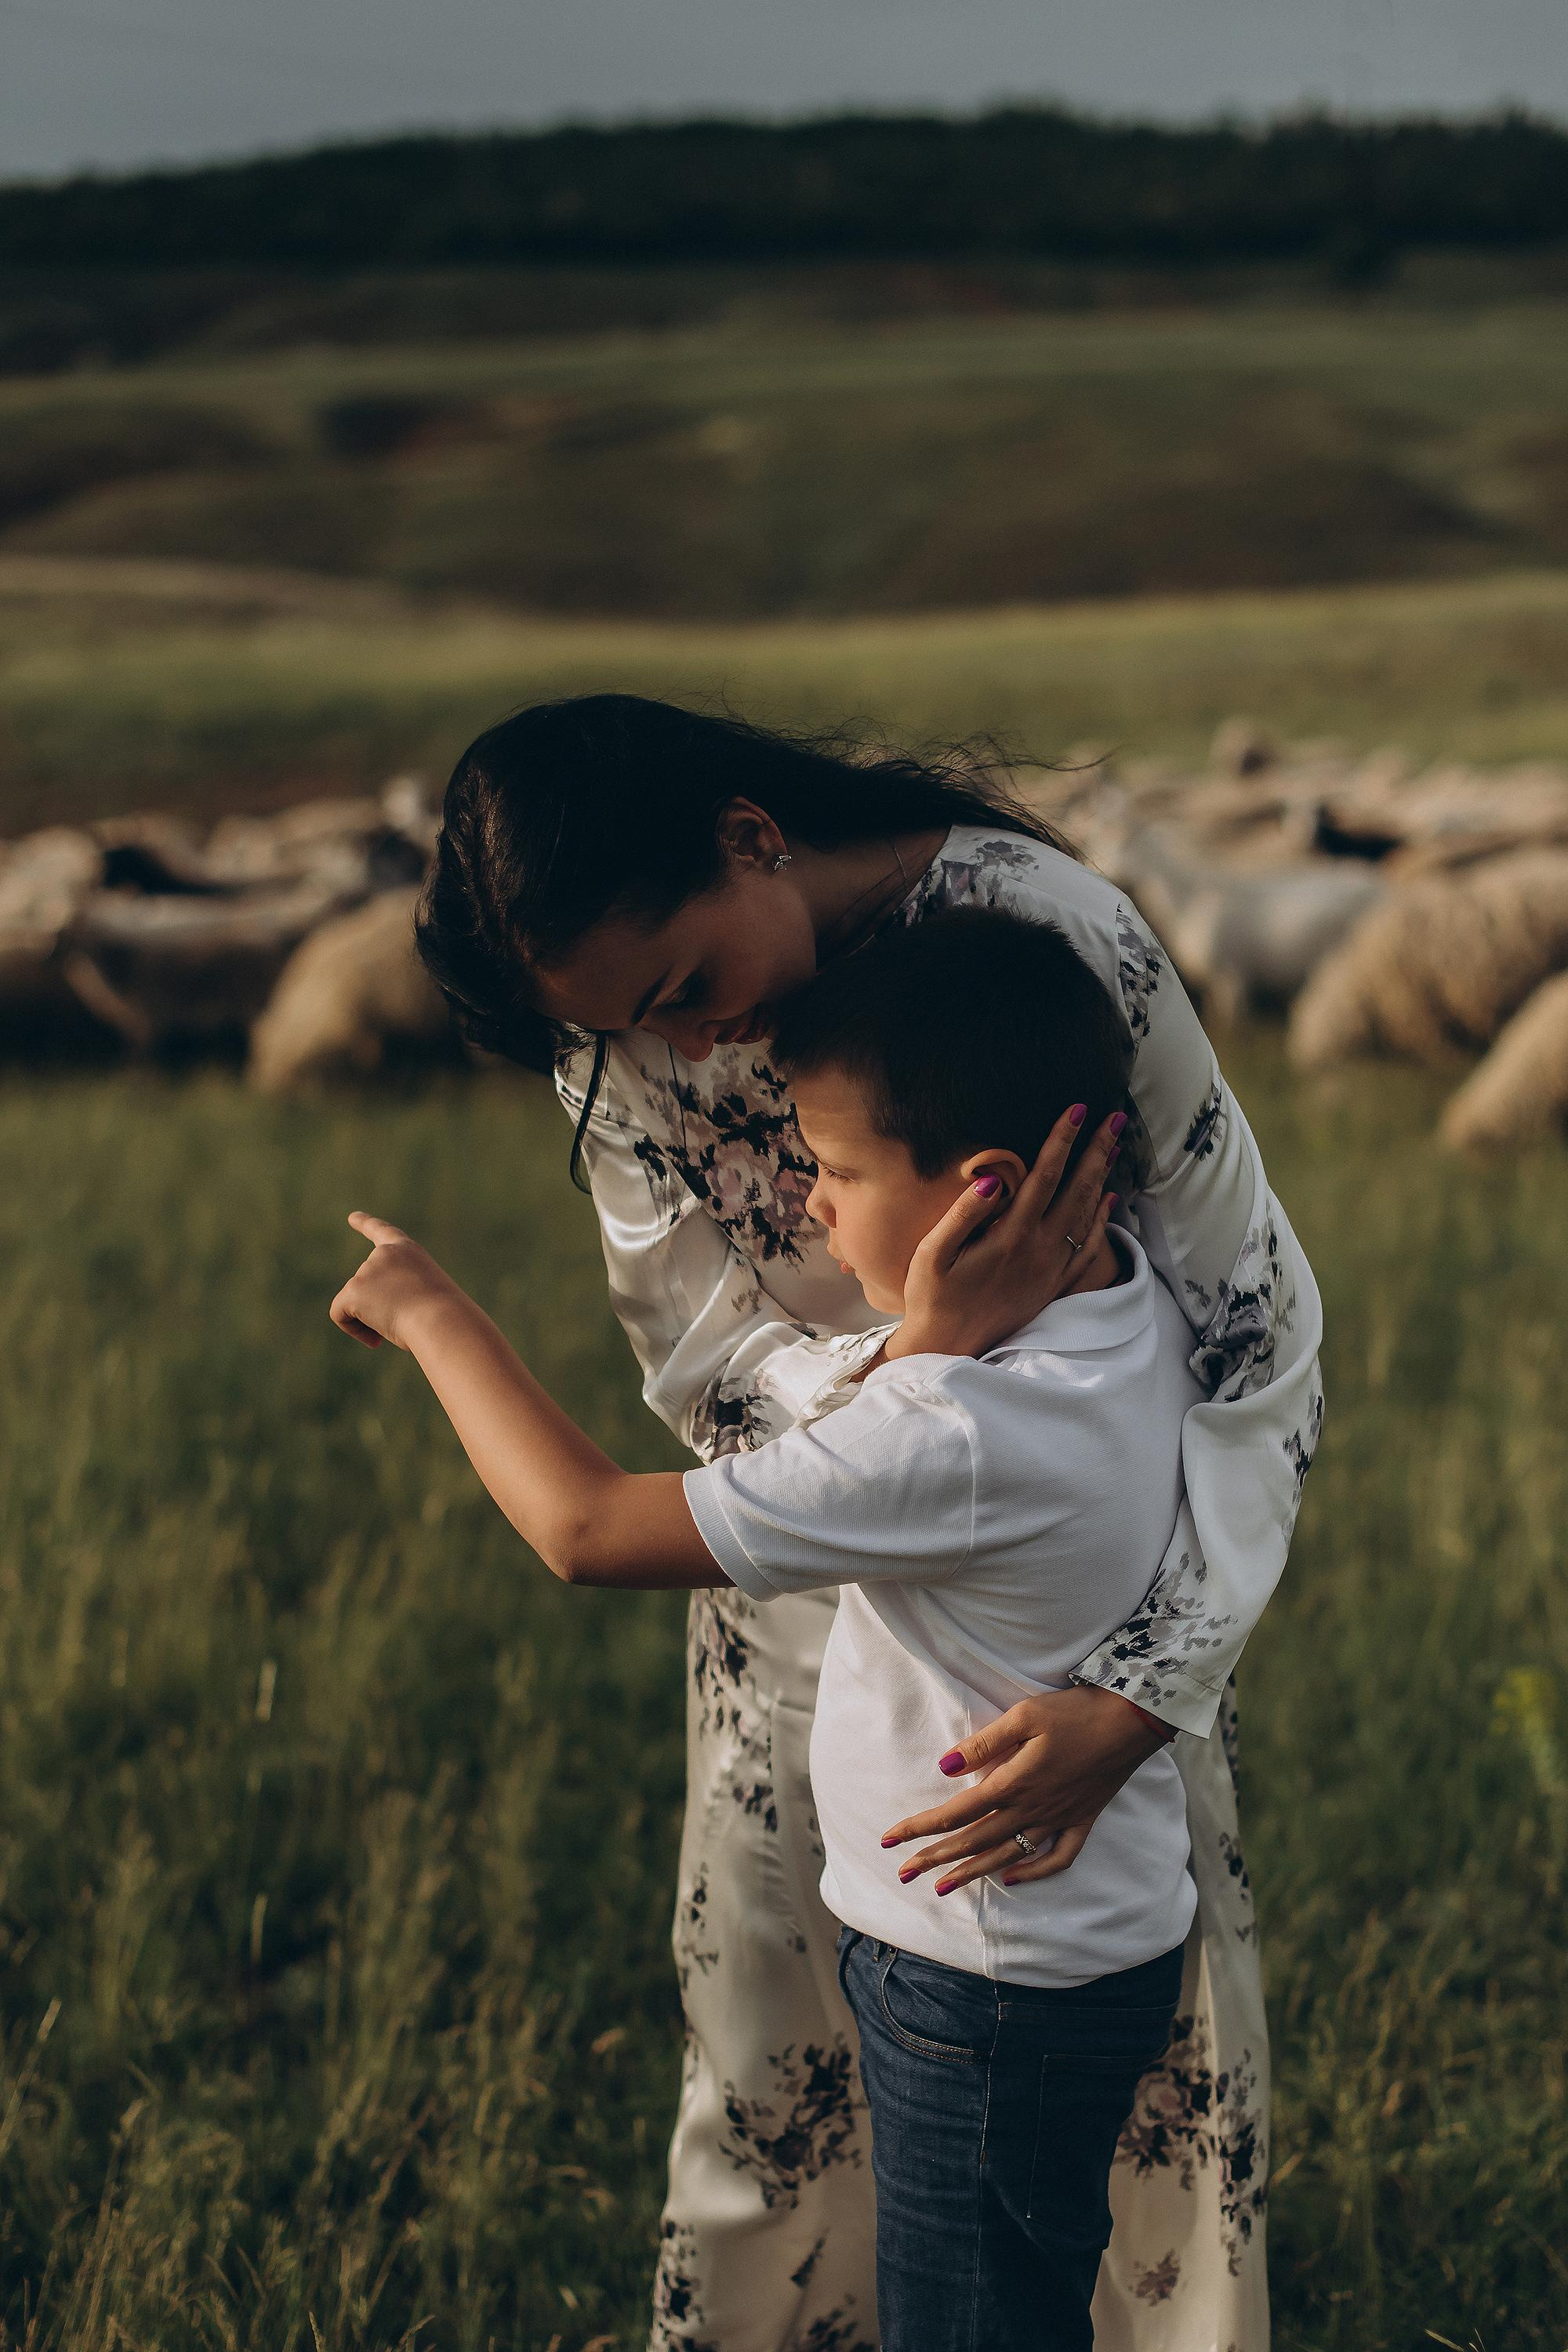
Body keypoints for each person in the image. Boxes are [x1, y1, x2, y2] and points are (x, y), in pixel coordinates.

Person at [412, 696, 1324, 2352]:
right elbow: (703, 1362)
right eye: (627, 1031)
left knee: (1101, 2104)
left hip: (1089, 1623)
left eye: (682, 985)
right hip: (788, 1595)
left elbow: (1255, 1324)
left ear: (751, 835)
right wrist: (920, 1361)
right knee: (780, 2065)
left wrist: (1137, 1696)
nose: (681, 1050)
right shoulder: (614, 1045)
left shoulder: (1039, 934)